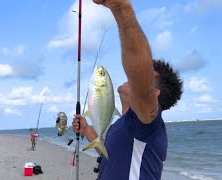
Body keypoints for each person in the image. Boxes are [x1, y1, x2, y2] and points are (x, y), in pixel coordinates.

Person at [72, 0, 183, 179]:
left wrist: (121, 7)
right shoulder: (122, 124)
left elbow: (140, 78)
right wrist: (86, 130)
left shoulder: (147, 124)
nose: (135, 79)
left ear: (153, 93)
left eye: (146, 78)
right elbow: (110, 155)